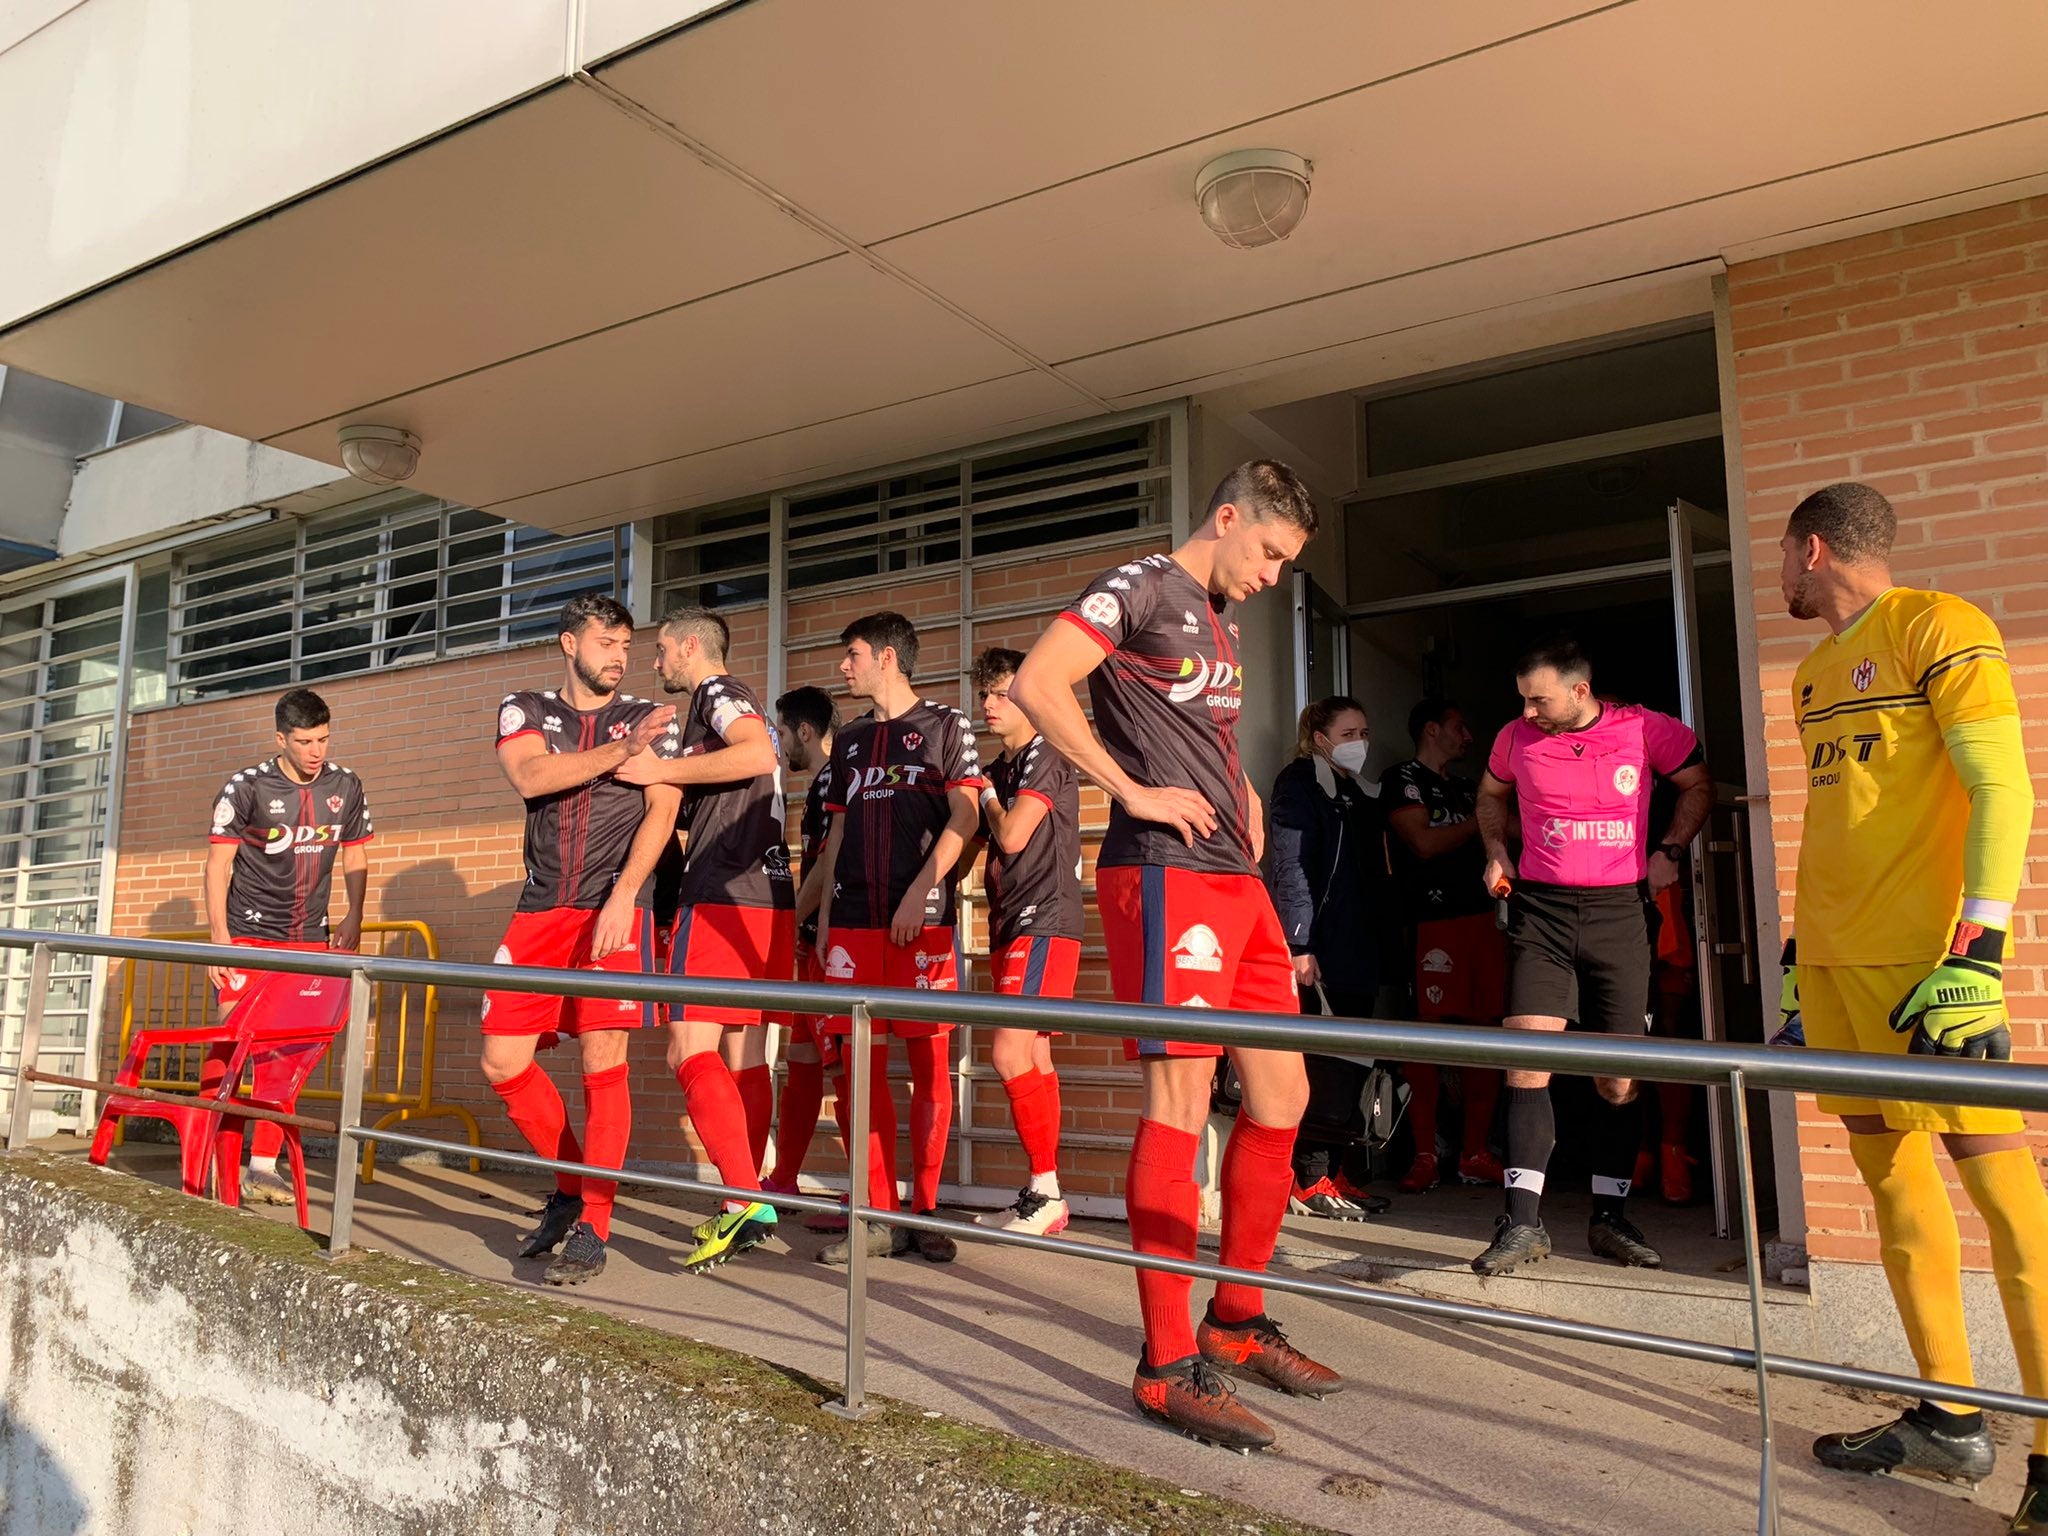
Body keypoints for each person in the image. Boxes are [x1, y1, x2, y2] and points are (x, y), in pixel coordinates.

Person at [1012, 459, 1342, 1454]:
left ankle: (1233, 1324)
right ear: (1229, 517)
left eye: (1288, 564)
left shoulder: (1214, 620)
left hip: (1231, 881)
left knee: (1281, 1098)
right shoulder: (1144, 582)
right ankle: (1163, 1368)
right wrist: (1132, 790)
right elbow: (1038, 681)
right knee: (1179, 1104)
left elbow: (1201, 734)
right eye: (1271, 554)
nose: (1273, 575)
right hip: (1160, 871)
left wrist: (1239, 798)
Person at [1777, 481, 2048, 1522]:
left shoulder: (1939, 625)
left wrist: (1976, 949)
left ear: (1811, 550)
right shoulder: (1807, 676)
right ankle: (1946, 1418)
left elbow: (2001, 785)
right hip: (1841, 973)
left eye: (1780, 559)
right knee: (1891, 1188)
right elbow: (1844, 820)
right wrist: (1801, 955)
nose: (1778, 577)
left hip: (1927, 971)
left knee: (2004, 1197)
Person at [1470, 639, 1712, 1277]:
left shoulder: (1644, 729)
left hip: (1619, 913)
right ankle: (1522, 1223)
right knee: (1527, 1060)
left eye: (1539, 698)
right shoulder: (1515, 737)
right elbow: (1490, 796)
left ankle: (1610, 1218)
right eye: (1523, 698)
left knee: (1617, 1075)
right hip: (1541, 913)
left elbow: (1697, 785)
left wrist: (1673, 847)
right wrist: (1497, 850)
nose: (1529, 711)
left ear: (1580, 692)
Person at [481, 594, 680, 1287]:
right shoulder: (526, 708)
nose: (619, 656)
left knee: (604, 1059)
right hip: (540, 908)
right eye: (605, 642)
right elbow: (532, 775)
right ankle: (571, 1186)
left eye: (626, 644)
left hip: (613, 910)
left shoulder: (646, 717)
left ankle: (595, 1224)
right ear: (570, 644)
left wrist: (627, 895)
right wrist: (620, 751)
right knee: (502, 1061)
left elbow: (664, 806)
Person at [614, 607, 792, 1274]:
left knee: (688, 1049)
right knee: (743, 1055)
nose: (654, 662)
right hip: (764, 892)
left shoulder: (717, 693)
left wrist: (656, 773)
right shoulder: (707, 714)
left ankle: (744, 1198)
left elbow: (757, 751)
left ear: (690, 647)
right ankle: (751, 1197)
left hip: (725, 894)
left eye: (660, 650)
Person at [811, 611, 983, 1267]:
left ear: (887, 656)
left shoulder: (946, 725)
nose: (844, 667)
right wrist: (826, 919)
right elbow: (836, 838)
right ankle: (876, 1216)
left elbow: (966, 814)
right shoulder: (849, 741)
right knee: (859, 1075)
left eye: (851, 654)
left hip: (923, 925)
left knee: (930, 1070)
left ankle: (926, 1210)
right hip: (853, 926)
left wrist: (921, 889)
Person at [202, 688, 372, 1203]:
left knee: (286, 1051)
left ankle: (261, 1166)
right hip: (247, 937)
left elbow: (356, 856)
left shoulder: (346, 785)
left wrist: (355, 914)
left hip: (308, 940)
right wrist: (219, 942)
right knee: (231, 1044)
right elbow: (218, 866)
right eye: (304, 741)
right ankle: (212, 1156)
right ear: (281, 738)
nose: (316, 750)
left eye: (322, 738)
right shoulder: (246, 786)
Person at [1267, 696, 1394, 1220]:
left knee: (1349, 1064)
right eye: (1348, 733)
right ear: (1319, 738)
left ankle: (1335, 1170)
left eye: (1363, 731)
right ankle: (1308, 1176)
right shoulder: (1299, 784)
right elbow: (1290, 863)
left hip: (1358, 946)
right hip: (1320, 949)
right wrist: (1299, 942)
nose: (1360, 742)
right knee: (1321, 1064)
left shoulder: (1358, 792)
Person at [970, 647, 1082, 1237]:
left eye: (1001, 693)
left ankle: (1047, 1190)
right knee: (1034, 1056)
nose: (989, 704)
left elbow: (1012, 835)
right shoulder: (1005, 763)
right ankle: (1044, 1194)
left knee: (1010, 1054)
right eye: (984, 694)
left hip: (1045, 921)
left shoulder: (1047, 755)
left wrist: (984, 794)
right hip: (1012, 920)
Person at [1383, 698, 1505, 1195]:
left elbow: (1507, 832)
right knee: (1426, 1040)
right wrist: (1481, 819)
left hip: (1483, 922)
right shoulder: (1403, 777)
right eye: (1460, 727)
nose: (1468, 737)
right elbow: (1424, 844)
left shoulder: (1466, 786)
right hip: (1431, 926)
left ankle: (1475, 1152)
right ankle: (1425, 1154)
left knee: (1486, 1039)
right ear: (1432, 730)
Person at [767, 685, 847, 1210]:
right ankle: (784, 1178)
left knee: (842, 1067)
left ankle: (864, 1194)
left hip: (832, 941)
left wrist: (798, 922)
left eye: (782, 733)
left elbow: (828, 863)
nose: (779, 746)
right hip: (810, 941)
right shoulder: (820, 781)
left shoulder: (833, 780)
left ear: (804, 731)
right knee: (800, 1058)